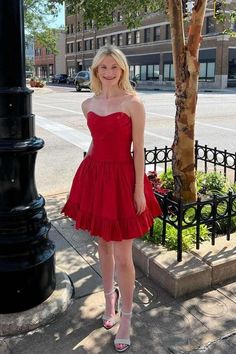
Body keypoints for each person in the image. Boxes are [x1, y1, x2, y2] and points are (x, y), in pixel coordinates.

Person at [62, 45, 162, 352]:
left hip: (122, 179)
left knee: (123, 255)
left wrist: (137, 190)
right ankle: (109, 302)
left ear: (122, 70)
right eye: (103, 67)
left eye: (114, 67)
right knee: (102, 244)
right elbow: (95, 141)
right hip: (95, 176)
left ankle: (128, 317)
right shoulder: (87, 103)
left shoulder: (133, 103)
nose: (108, 72)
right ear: (95, 70)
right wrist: (85, 182)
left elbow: (139, 149)